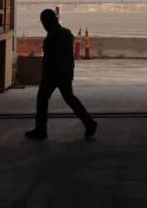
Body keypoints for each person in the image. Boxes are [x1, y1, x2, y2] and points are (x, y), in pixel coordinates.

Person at [25, 9, 97, 140]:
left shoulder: (52, 36)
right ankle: (89, 122)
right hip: (65, 72)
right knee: (70, 99)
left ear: (48, 22)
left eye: (44, 23)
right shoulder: (66, 33)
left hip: (53, 74)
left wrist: (45, 75)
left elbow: (49, 59)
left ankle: (41, 130)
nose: (43, 26)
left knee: (42, 99)